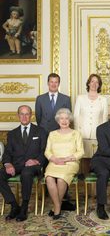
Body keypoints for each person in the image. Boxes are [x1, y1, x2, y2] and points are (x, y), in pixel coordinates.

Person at [0, 105, 47, 221]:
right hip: (16, 165)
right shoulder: (12, 134)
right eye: (22, 114)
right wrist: (7, 164)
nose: (24, 116)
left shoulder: (40, 131)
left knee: (26, 173)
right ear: (18, 116)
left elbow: (45, 151)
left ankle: (24, 207)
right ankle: (14, 205)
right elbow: (7, 153)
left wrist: (36, 161)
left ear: (31, 115)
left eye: (27, 114)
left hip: (33, 166)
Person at [35, 73, 74, 211]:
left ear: (59, 83)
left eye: (56, 82)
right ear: (48, 83)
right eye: (51, 82)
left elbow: (68, 117)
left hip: (62, 136)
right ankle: (49, 194)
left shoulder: (65, 98)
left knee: (63, 164)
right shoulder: (40, 99)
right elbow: (39, 119)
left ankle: (63, 197)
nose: (53, 84)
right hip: (46, 135)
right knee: (48, 163)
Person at [44, 108, 84, 220]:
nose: (64, 121)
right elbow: (47, 151)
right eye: (61, 118)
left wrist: (67, 159)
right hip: (54, 162)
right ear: (58, 121)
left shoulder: (76, 134)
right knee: (49, 178)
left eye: (66, 118)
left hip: (70, 163)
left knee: (61, 179)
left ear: (70, 120)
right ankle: (58, 204)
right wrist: (55, 160)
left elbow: (81, 152)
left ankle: (56, 207)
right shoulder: (52, 134)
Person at [74, 74, 108, 174]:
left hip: (97, 135)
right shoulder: (80, 98)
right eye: (92, 81)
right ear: (88, 83)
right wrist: (77, 134)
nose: (94, 84)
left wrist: (102, 136)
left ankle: (94, 186)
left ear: (99, 85)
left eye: (97, 82)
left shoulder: (103, 100)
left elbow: (104, 119)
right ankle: (84, 184)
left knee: (96, 160)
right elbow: (76, 117)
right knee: (83, 160)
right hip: (82, 134)